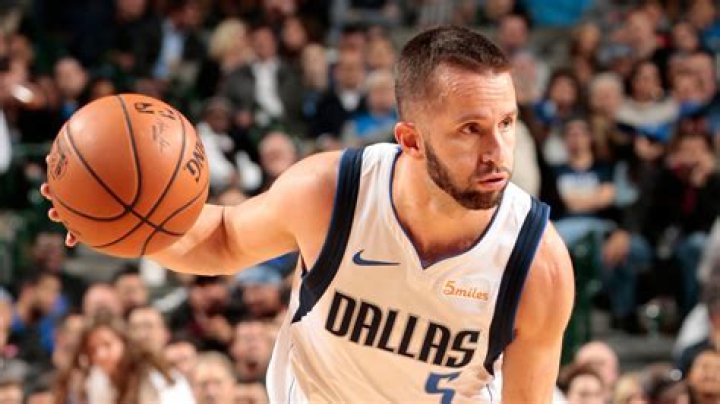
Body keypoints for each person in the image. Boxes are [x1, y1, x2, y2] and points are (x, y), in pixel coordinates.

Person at [43, 26, 574, 402]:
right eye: (470, 129)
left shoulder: (538, 265)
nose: (498, 152)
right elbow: (223, 239)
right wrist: (105, 217)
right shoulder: (332, 191)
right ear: (411, 140)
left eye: (507, 123)